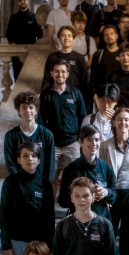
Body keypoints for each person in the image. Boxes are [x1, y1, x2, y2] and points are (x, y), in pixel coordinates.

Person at [0, 142, 54, 255]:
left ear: (39, 160)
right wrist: (6, 245)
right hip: (17, 243)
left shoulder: (45, 184)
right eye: (25, 156)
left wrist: (49, 248)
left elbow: (49, 218)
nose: (30, 159)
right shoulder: (10, 182)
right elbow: (3, 214)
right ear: (19, 160)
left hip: (39, 244)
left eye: (34, 156)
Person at [39, 57, 88, 192]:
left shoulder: (76, 94)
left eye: (62, 71)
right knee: (50, 178)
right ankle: (50, 209)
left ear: (67, 74)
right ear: (51, 73)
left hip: (72, 143)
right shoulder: (46, 95)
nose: (59, 74)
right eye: (56, 71)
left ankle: (71, 209)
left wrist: (80, 139)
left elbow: (82, 117)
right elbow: (41, 119)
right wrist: (45, 140)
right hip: (52, 144)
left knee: (74, 180)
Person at [57, 125, 117, 218]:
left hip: (101, 219)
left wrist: (106, 192)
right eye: (89, 140)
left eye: (97, 140)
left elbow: (114, 194)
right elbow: (63, 201)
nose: (94, 143)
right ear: (80, 142)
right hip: (78, 220)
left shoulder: (106, 168)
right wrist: (81, 195)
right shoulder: (70, 170)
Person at [99, 106, 129, 209]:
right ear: (114, 122)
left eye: (126, 120)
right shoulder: (104, 146)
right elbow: (101, 173)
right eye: (119, 119)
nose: (123, 123)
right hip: (112, 195)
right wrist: (105, 197)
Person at [3, 91, 55, 182]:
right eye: (24, 107)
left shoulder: (47, 135)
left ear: (36, 110)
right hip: (20, 183)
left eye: (31, 107)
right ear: (19, 111)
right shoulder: (10, 136)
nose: (28, 111)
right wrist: (20, 182)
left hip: (41, 183)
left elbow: (50, 165)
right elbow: (11, 164)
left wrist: (45, 184)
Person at [4, 0, 42, 80]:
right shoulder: (13, 18)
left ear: (28, 1)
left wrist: (36, 45)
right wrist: (12, 43)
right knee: (18, 79)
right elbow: (9, 34)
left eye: (24, 0)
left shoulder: (34, 17)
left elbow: (40, 34)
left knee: (30, 78)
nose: (22, 2)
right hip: (17, 53)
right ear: (17, 2)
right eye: (20, 0)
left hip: (31, 53)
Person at [43, 25, 88, 92]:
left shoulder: (80, 58)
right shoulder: (52, 57)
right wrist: (43, 94)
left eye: (69, 36)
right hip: (55, 94)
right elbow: (47, 79)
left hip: (74, 96)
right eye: (63, 36)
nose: (66, 38)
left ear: (73, 38)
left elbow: (85, 81)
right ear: (59, 38)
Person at [90, 23, 122, 95]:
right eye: (106, 35)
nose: (109, 36)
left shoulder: (123, 53)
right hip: (102, 94)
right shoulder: (98, 54)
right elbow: (93, 77)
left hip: (120, 94)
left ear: (116, 36)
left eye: (111, 34)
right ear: (104, 38)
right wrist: (94, 94)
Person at [110, 41, 129, 106]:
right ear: (118, 58)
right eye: (122, 55)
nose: (125, 58)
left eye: (128, 55)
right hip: (118, 112)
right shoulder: (113, 76)